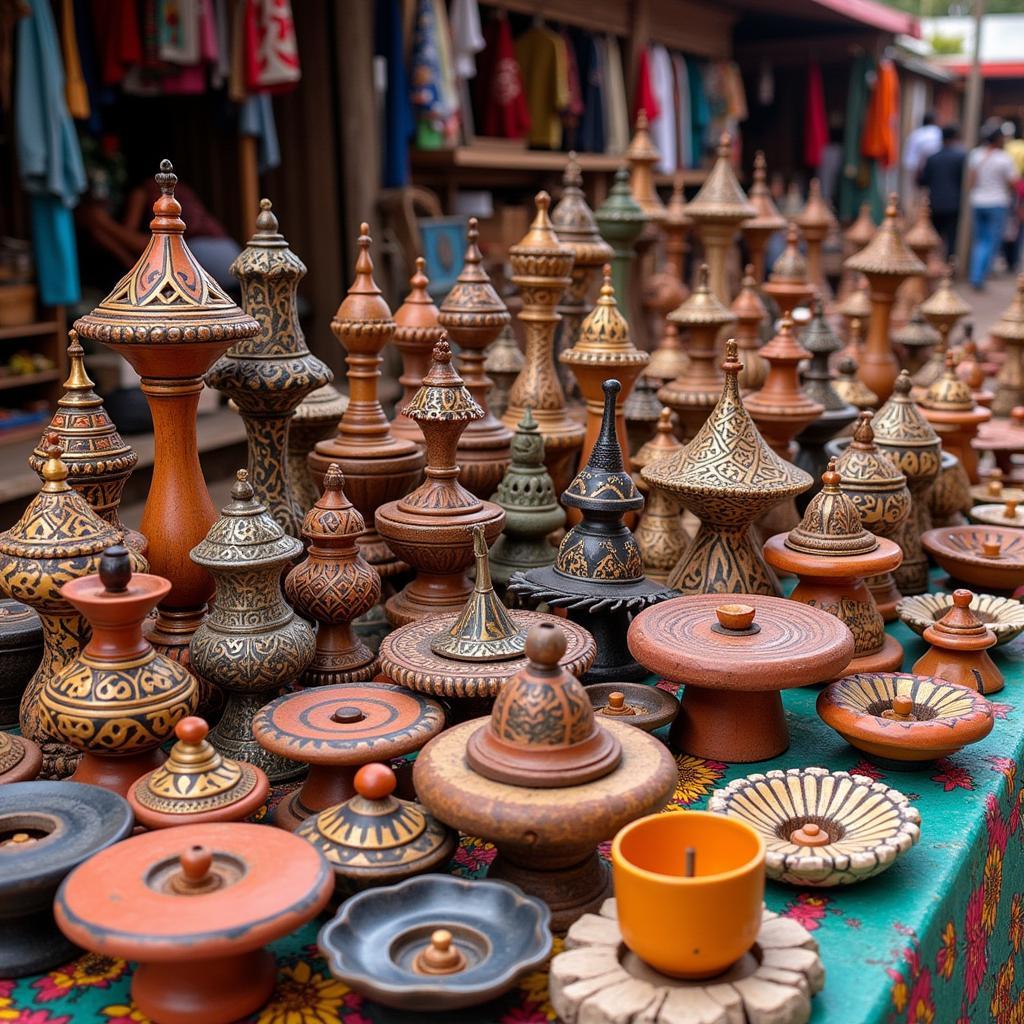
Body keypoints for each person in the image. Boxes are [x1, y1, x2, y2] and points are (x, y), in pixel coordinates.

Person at [967, 122, 1020, 291]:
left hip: (977, 201)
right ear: (999, 139)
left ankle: (975, 274)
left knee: (980, 240)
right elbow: (1013, 183)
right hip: (997, 202)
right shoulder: (1004, 159)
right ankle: (980, 276)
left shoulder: (975, 155)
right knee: (991, 241)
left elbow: (972, 181)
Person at [919, 124, 966, 258]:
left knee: (935, 236)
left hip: (935, 203)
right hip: (954, 203)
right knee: (952, 238)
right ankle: (949, 265)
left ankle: (934, 262)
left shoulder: (932, 158)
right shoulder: (960, 157)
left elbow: (923, 181)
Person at [903, 112, 942, 178]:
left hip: (915, 169)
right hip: (935, 169)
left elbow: (909, 158)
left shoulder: (915, 134)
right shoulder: (938, 133)